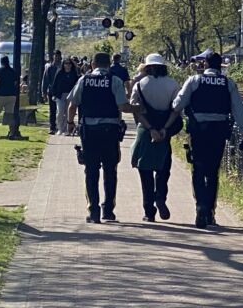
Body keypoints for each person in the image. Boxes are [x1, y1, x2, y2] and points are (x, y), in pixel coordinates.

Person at [171, 52, 243, 229]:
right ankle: (210, 212)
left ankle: (200, 206)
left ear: (205, 64)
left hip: (198, 131)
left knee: (198, 169)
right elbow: (238, 109)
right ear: (220, 65)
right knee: (213, 171)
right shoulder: (228, 83)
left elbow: (177, 105)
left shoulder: (194, 80)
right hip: (219, 131)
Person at [67, 52, 140, 224]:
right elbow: (123, 106)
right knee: (110, 170)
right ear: (108, 65)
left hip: (89, 131)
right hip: (110, 131)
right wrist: (139, 108)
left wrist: (70, 123)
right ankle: (108, 210)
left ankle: (93, 211)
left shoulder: (84, 80)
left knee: (91, 170)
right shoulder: (114, 81)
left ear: (92, 64)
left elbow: (72, 105)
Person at [130, 53, 180, 222]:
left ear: (147, 67)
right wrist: (165, 129)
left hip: (146, 131)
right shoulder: (173, 84)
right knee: (163, 170)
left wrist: (150, 128)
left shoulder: (140, 85)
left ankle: (149, 211)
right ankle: (160, 198)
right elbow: (176, 110)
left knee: (145, 171)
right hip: (165, 132)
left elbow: (136, 110)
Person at [51, 58, 79, 135]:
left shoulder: (74, 74)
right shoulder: (59, 73)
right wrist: (54, 94)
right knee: (60, 112)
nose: (67, 65)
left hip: (70, 95)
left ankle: (67, 129)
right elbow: (55, 84)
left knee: (68, 112)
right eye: (66, 63)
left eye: (69, 63)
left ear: (71, 65)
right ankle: (60, 128)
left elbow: (76, 85)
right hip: (60, 95)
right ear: (63, 64)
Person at [42, 50, 62, 135]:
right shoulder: (50, 67)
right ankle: (52, 127)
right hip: (52, 91)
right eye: (55, 55)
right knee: (52, 110)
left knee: (61, 110)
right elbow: (45, 80)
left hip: (61, 91)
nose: (57, 57)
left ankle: (61, 126)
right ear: (53, 56)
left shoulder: (63, 67)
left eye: (58, 55)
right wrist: (44, 92)